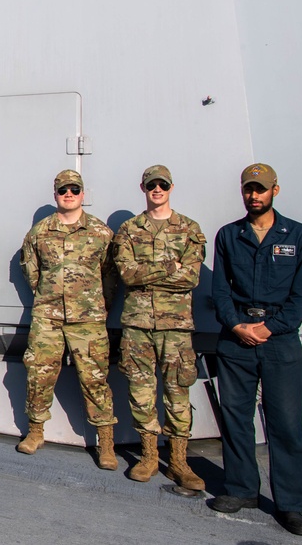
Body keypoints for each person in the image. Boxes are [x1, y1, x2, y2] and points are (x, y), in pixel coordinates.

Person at [210, 163, 302, 537]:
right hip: (236, 339)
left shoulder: (298, 236)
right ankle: (241, 490)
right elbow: (220, 291)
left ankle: (290, 505)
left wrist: (269, 327)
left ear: (275, 190)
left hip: (279, 341)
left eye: (260, 189)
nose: (254, 196)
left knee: (285, 426)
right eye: (248, 189)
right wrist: (237, 325)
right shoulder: (228, 235)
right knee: (236, 420)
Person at [17, 170, 118, 469]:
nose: (69, 194)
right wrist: (47, 297)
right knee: (38, 374)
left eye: (74, 189)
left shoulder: (100, 232)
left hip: (88, 319)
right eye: (63, 190)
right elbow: (31, 271)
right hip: (48, 317)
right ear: (56, 195)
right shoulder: (39, 232)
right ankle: (35, 432)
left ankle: (106, 442)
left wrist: (99, 305)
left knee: (95, 378)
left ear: (83, 194)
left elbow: (110, 275)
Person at [113, 165, 206, 490]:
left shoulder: (189, 229)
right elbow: (127, 274)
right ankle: (150, 456)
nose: (157, 189)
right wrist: (171, 266)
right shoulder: (128, 230)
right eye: (152, 184)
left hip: (176, 327)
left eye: (162, 185)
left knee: (178, 392)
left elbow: (191, 277)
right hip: (137, 325)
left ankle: (179, 462)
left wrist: (149, 270)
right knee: (140, 392)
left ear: (170, 187)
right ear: (143, 187)